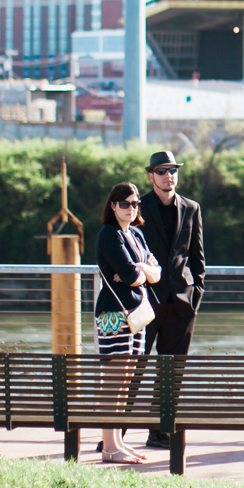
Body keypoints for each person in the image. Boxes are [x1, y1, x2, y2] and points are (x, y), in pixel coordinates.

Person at [135, 150, 205, 450]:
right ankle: (115, 435)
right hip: (143, 302)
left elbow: (198, 257)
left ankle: (159, 432)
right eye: (162, 171)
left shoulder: (191, 208)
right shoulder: (136, 208)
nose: (168, 175)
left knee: (171, 372)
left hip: (180, 304)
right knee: (132, 369)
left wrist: (195, 295)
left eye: (173, 170)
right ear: (151, 176)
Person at [93, 181, 160, 463]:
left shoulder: (136, 235)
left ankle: (118, 441)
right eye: (124, 204)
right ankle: (109, 446)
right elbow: (132, 278)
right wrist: (139, 271)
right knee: (113, 381)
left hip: (136, 315)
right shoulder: (109, 235)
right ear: (113, 206)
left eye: (135, 204)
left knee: (126, 381)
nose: (131, 209)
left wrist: (140, 268)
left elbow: (155, 273)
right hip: (114, 315)